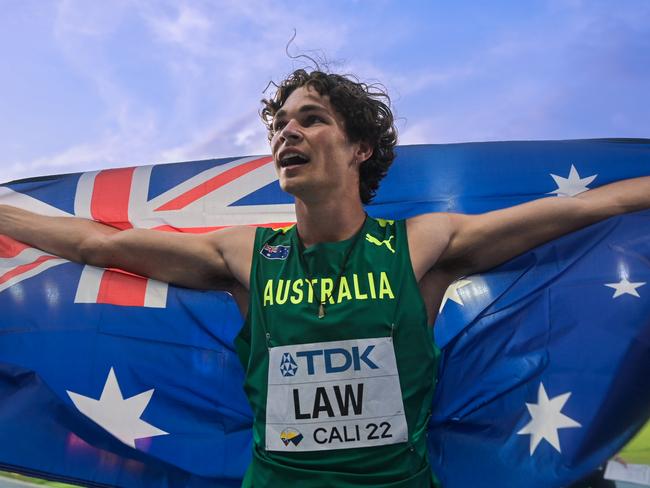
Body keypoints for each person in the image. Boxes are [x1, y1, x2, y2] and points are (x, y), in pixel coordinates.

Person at [0, 69, 649, 487]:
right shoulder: (248, 254)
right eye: (280, 123)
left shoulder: (421, 244)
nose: (287, 132)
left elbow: (597, 206)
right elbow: (97, 242)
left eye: (310, 118)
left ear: (359, 147)